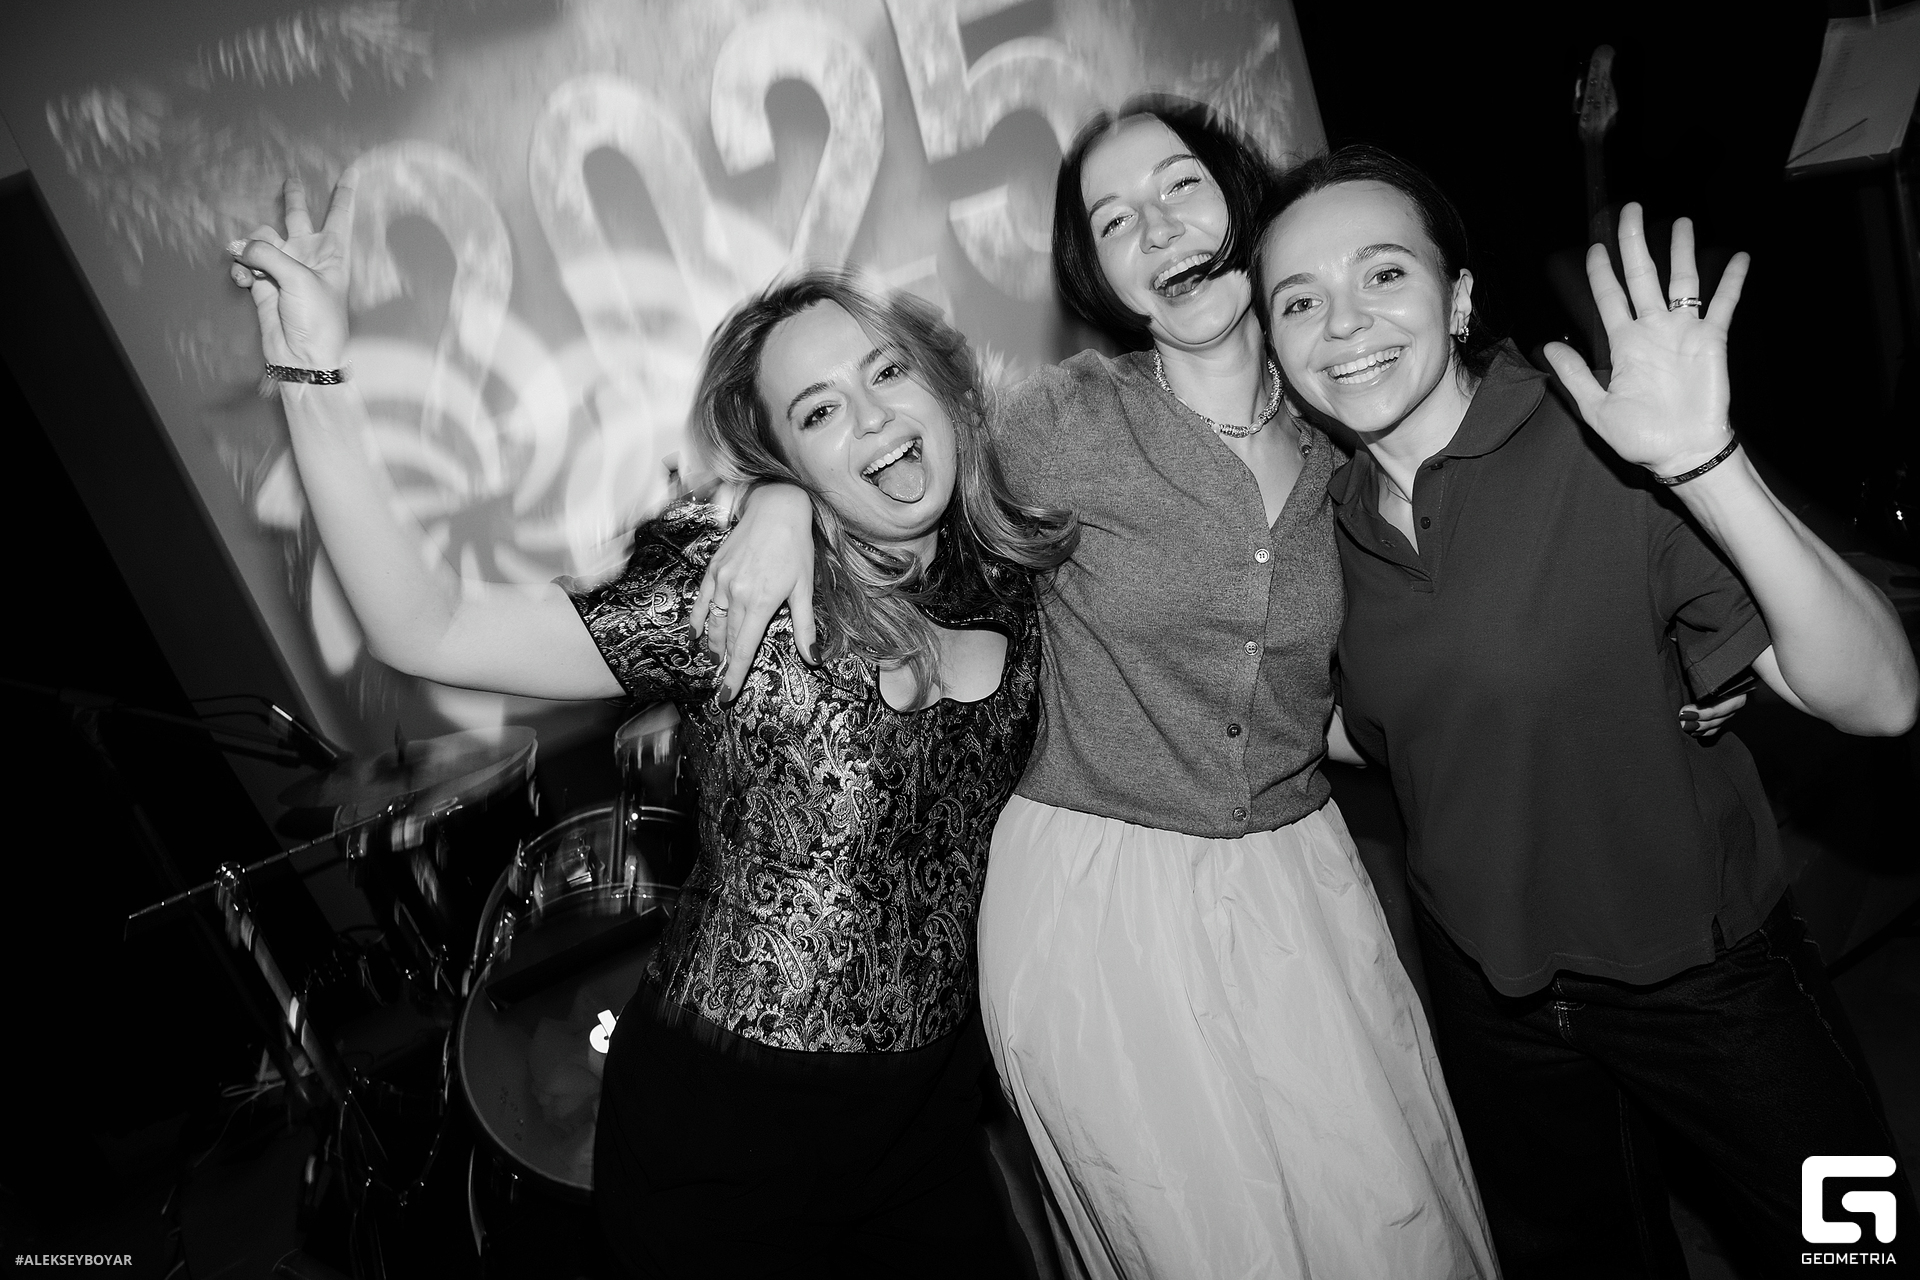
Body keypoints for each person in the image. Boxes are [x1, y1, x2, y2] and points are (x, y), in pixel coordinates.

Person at [697, 98, 1501, 1280]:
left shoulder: (1347, 427)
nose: (1159, 229)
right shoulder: (1066, 420)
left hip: (1297, 883)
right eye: (1116, 221)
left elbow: (1335, 691)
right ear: (1103, 275)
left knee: (1386, 1219)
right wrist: (777, 500)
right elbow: (896, 468)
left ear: (1241, 196)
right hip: (1102, 898)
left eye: (1180, 187)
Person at [230, 181, 1079, 1277]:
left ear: (940, 385)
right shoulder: (731, 597)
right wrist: (315, 374)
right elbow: (425, 623)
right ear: (784, 459)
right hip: (728, 1133)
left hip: (931, 1118)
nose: (870, 418)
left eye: (885, 372)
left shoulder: (1012, 574)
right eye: (818, 411)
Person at [1251, 145, 1920, 1277]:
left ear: (1460, 297)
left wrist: (1706, 463)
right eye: (1300, 300)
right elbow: (1377, 729)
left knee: (1855, 1250)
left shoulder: (1599, 440)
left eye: (1384, 273)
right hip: (1491, 994)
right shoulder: (1327, 527)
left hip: (1704, 975)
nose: (1345, 321)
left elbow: (1883, 698)